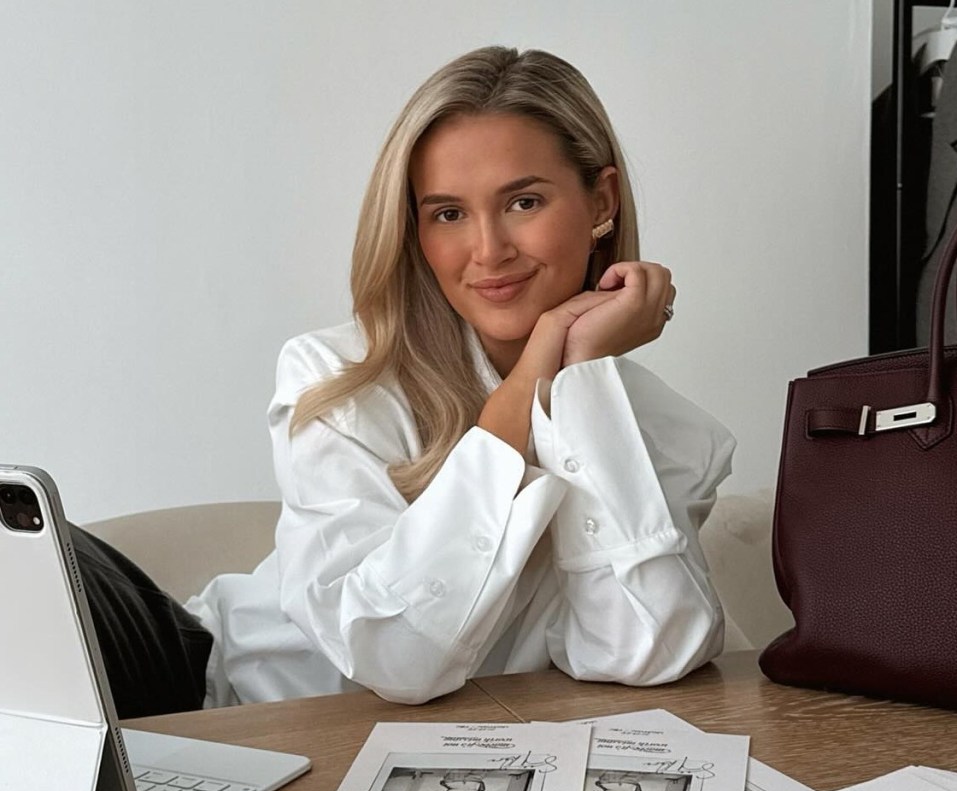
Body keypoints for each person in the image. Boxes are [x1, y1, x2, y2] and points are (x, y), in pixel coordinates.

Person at [73, 45, 735, 718]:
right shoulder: (336, 379)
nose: (488, 251)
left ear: (600, 201)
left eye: (523, 202)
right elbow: (392, 657)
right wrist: (526, 391)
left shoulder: (670, 438)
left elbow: (645, 653)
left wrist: (581, 378)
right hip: (208, 695)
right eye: (448, 213)